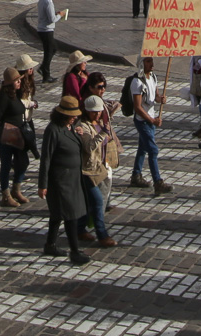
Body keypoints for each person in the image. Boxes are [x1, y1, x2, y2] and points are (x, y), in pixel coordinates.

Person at [37, 95, 91, 263]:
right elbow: (46, 158)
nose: (75, 117)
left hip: (73, 178)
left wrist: (80, 135)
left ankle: (50, 244)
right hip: (61, 181)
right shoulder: (53, 130)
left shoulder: (71, 127)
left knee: (57, 214)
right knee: (70, 215)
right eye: (72, 115)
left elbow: (77, 147)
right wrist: (42, 184)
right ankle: (74, 251)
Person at [73, 92, 120, 247]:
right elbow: (89, 147)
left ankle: (79, 229)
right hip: (86, 170)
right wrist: (102, 134)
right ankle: (102, 235)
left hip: (97, 167)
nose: (98, 113)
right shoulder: (82, 126)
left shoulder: (98, 122)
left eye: (99, 111)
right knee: (98, 201)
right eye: (95, 111)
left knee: (89, 202)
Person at [0, 59, 37, 207]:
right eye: (17, 81)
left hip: (18, 136)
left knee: (23, 162)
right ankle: (5, 195)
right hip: (6, 137)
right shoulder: (4, 97)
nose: (19, 83)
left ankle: (16, 189)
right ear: (10, 83)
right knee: (6, 165)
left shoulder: (15, 94)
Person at [127, 56, 171, 194]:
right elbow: (138, 107)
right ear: (141, 64)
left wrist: (160, 99)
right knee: (152, 150)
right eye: (148, 61)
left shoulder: (153, 77)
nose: (152, 64)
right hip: (143, 121)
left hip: (151, 118)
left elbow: (156, 96)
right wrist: (152, 121)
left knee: (143, 147)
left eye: (151, 61)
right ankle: (157, 181)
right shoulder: (137, 82)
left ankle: (136, 175)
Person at [34, 0, 63, 81]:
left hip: (42, 29)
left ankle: (45, 71)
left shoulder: (42, 0)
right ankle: (45, 72)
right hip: (46, 30)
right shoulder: (49, 2)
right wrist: (60, 15)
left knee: (51, 49)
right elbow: (52, 19)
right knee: (50, 50)